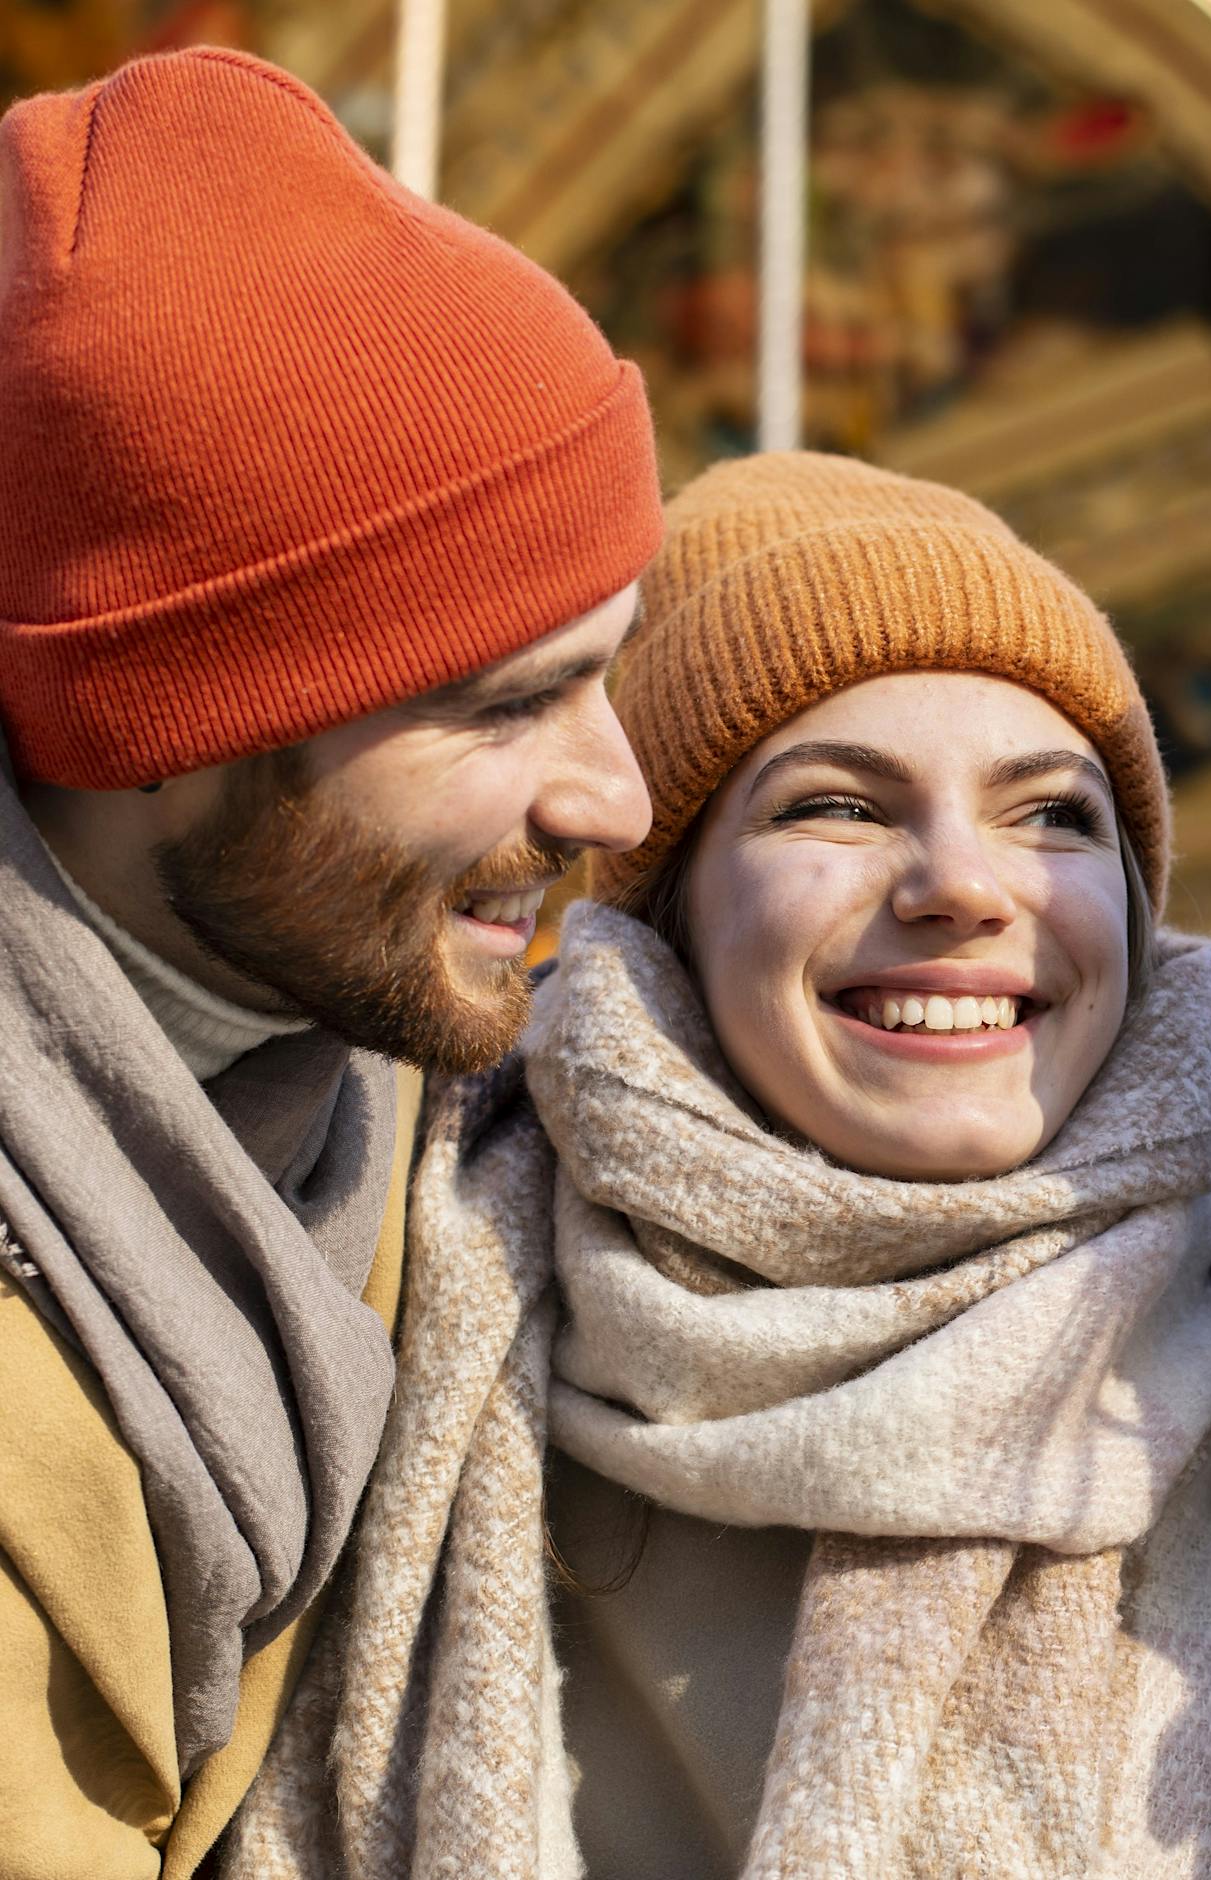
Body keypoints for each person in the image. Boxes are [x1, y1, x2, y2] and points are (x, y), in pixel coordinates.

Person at [233, 453, 1211, 1879]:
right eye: (837, 806)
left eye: (1054, 813)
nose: (966, 886)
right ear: (664, 921)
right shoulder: (379, 1268)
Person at [0, 48, 662, 1879]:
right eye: (510, 702)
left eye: (609, 669)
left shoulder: (375, 1115)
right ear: (172, 721)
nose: (616, 796)